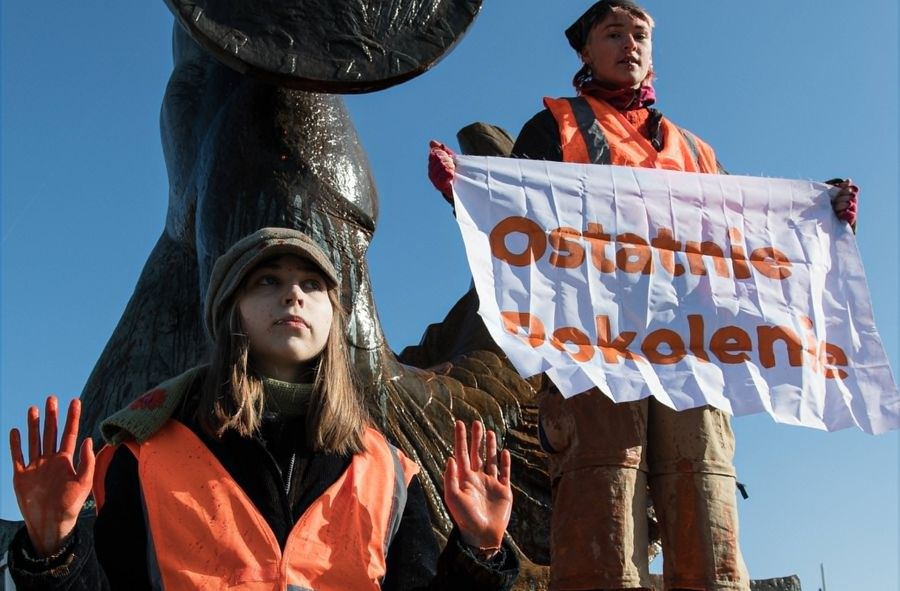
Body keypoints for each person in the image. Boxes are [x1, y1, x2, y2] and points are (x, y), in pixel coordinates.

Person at [428, 2, 859, 590]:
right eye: (613, 33)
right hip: (595, 355)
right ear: (585, 50)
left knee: (707, 510)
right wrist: (468, 194)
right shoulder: (552, 128)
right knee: (600, 512)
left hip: (691, 359)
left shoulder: (699, 153)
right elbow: (515, 219)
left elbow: (748, 239)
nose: (629, 45)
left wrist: (818, 222)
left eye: (640, 35)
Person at [7, 227, 520, 590]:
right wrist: (54, 549)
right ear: (231, 312)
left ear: (332, 318)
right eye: (267, 281)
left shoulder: (390, 473)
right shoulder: (143, 457)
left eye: (312, 284)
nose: (293, 295)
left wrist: (478, 552)